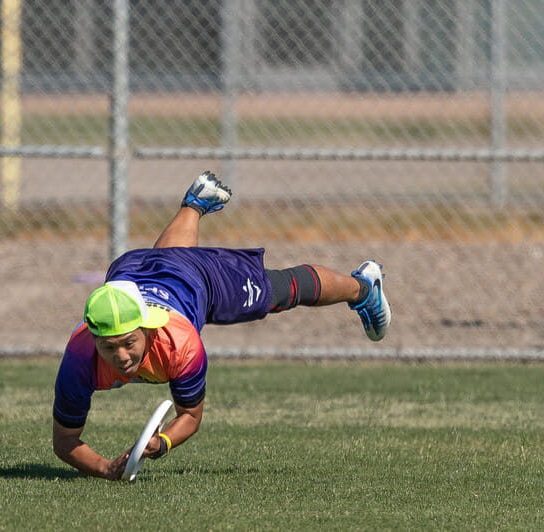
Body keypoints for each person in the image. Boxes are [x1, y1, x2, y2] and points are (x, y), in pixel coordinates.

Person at [52, 171, 391, 480]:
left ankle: (362, 287)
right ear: (92, 337)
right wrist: (107, 468)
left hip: (202, 279)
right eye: (108, 347)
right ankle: (194, 205)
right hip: (135, 266)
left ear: (149, 327)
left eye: (129, 342)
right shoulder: (80, 357)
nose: (122, 355)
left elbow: (191, 416)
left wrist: (163, 443)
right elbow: (64, 441)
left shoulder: (181, 345)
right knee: (169, 259)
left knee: (281, 291)